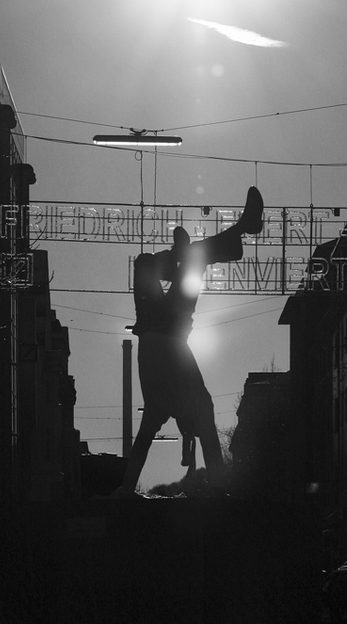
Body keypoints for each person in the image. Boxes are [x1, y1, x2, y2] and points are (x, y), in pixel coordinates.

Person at [116, 186, 264, 495]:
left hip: (161, 334)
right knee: (163, 261)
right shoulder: (169, 403)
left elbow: (143, 444)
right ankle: (228, 236)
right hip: (164, 335)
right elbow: (145, 444)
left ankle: (205, 246)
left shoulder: (161, 406)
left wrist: (125, 490)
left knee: (166, 261)